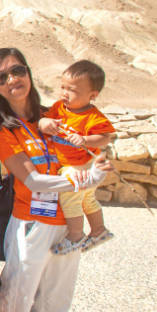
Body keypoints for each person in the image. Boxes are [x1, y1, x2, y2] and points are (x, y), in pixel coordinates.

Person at [0, 47, 108, 312]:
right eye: (1, 77)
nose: (12, 80)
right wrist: (86, 180)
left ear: (29, 73)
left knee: (57, 295)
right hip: (32, 223)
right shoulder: (5, 131)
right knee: (18, 294)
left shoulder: (54, 117)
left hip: (69, 220)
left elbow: (91, 145)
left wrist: (96, 166)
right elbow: (32, 179)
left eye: (17, 70)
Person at [38, 59, 116, 251]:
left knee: (70, 197)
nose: (65, 93)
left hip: (79, 165)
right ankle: (98, 230)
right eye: (63, 87)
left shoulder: (93, 116)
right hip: (70, 164)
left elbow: (105, 137)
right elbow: (44, 115)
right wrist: (45, 120)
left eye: (72, 90)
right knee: (87, 199)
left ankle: (75, 236)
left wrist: (85, 140)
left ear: (93, 95)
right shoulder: (59, 107)